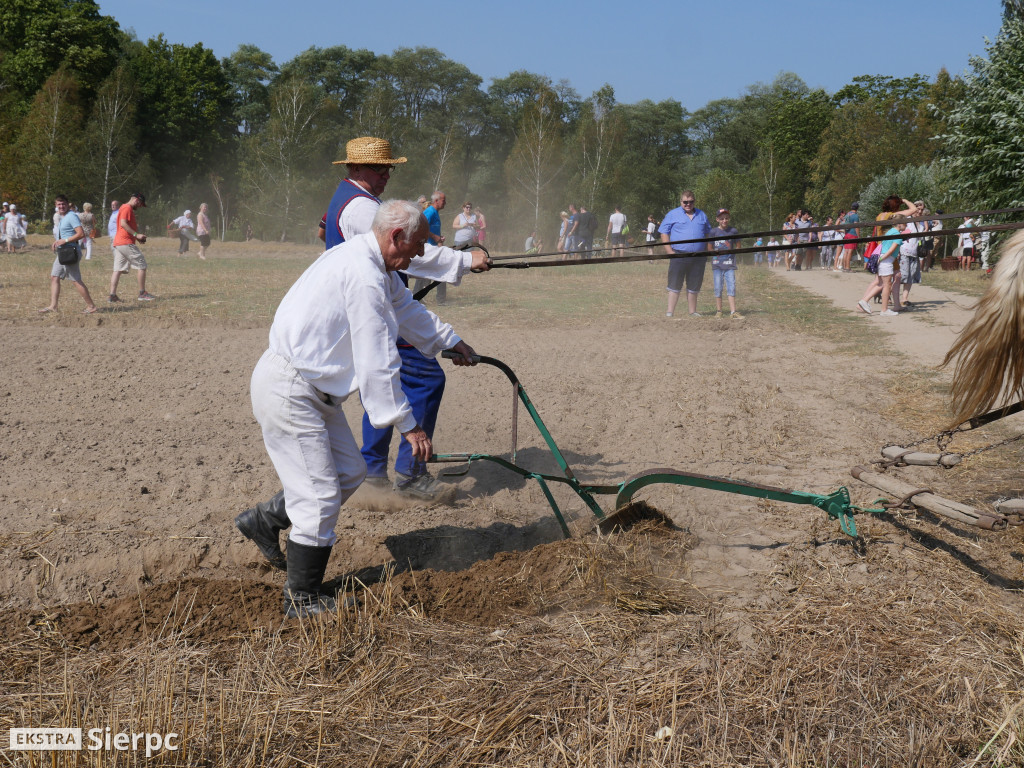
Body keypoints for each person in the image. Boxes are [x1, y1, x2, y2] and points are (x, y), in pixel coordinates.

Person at [239, 137, 488, 562]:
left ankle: (264, 520)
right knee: (318, 500)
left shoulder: (374, 259)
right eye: (414, 249)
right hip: (293, 387)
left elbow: (406, 306)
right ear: (394, 237)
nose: (417, 258)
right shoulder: (366, 269)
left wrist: (450, 341)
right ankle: (303, 600)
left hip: (313, 385)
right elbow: (377, 361)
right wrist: (409, 426)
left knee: (348, 474)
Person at [38, 195, 98, 315]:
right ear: (56, 205)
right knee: (54, 277)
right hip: (62, 252)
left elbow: (81, 234)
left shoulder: (71, 217)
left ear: (67, 204)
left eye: (63, 204)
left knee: (75, 280)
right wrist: (57, 242)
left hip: (70, 252)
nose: (61, 206)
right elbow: (64, 235)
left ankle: (91, 306)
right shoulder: (63, 217)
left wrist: (64, 241)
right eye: (59, 204)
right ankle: (53, 306)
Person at [659, 191, 712, 317]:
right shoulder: (672, 214)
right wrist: (669, 251)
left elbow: (708, 234)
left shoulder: (702, 215)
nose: (688, 204)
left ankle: (692, 312)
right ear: (681, 202)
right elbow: (663, 232)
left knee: (694, 285)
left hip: (698, 257)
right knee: (675, 284)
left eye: (691, 202)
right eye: (685, 202)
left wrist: (707, 251)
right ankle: (670, 312)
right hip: (678, 255)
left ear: (694, 201)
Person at [109, 193, 156, 302]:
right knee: (142, 264)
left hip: (119, 242)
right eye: (140, 204)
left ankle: (112, 295)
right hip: (125, 242)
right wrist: (136, 235)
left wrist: (137, 238)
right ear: (136, 200)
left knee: (117, 269)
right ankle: (142, 293)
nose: (139, 206)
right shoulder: (127, 208)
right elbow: (123, 224)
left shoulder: (124, 207)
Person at [413, 190, 447, 302]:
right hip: (427, 248)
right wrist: (434, 237)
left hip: (433, 248)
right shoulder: (430, 211)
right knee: (441, 272)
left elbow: (430, 229)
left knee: (430, 273)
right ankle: (439, 299)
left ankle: (417, 297)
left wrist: (439, 239)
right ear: (436, 201)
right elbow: (420, 227)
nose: (445, 203)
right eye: (443, 200)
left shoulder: (435, 212)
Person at [709, 208, 742, 318]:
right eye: (722, 218)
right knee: (718, 287)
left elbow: (738, 245)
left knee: (731, 286)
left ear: (729, 218)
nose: (724, 220)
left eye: (726, 218)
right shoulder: (713, 232)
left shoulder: (733, 231)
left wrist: (734, 252)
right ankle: (719, 311)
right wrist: (714, 253)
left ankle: (733, 312)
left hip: (729, 264)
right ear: (717, 219)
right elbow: (709, 247)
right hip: (717, 264)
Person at [899, 201, 926, 307]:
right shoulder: (908, 219)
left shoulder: (921, 224)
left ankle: (904, 298)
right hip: (904, 250)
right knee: (902, 275)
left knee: (910, 276)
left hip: (914, 252)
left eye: (921, 209)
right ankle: (890, 295)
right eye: (918, 209)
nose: (919, 211)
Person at [839, 202, 861, 272]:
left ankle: (845, 267)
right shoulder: (855, 216)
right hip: (853, 234)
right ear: (857, 208)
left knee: (846, 251)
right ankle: (848, 268)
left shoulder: (847, 215)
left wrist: (845, 233)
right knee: (850, 251)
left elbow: (844, 225)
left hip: (847, 234)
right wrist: (858, 236)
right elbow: (856, 227)